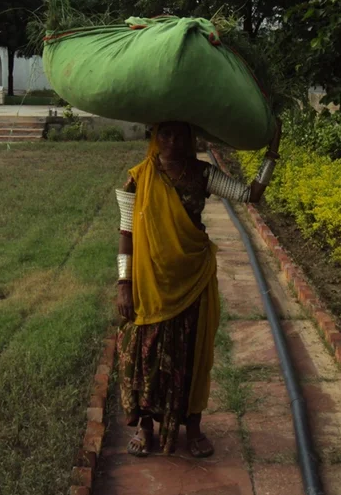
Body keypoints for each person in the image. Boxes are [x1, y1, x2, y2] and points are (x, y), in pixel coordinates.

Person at [114, 120, 281, 457]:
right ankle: (145, 427)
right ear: (155, 136)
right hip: (150, 283)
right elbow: (126, 234)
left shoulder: (203, 174)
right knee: (147, 352)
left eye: (180, 134)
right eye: (165, 134)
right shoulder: (138, 178)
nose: (172, 141)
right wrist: (123, 284)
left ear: (191, 137)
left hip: (193, 279)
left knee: (191, 352)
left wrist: (272, 154)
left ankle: (193, 427)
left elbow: (250, 194)